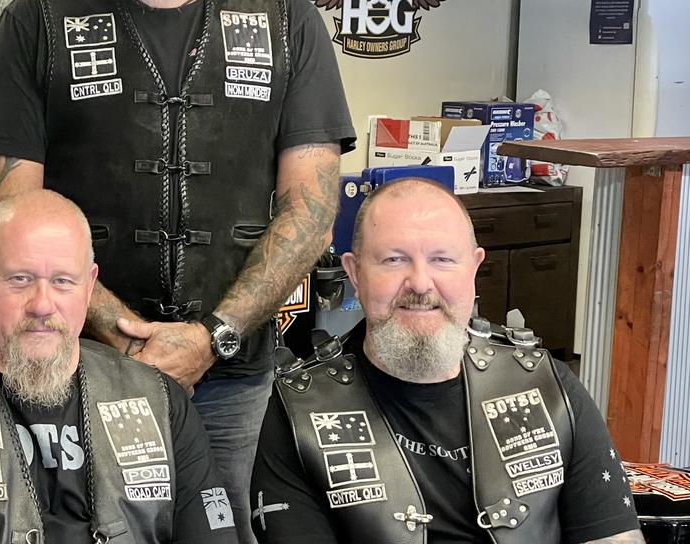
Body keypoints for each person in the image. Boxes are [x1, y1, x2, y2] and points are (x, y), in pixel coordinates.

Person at [0, 0, 355, 536]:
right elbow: (7, 212)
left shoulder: (288, 23)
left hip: (232, 379)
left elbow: (312, 210)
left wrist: (216, 335)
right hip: (71, 369)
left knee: (220, 533)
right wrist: (121, 333)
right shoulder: (38, 23)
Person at [251, 178, 644, 543]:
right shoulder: (298, 415)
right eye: (393, 260)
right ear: (355, 274)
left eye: (442, 260)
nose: (420, 283)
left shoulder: (549, 389)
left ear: (474, 268)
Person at [0, 190, 239, 543]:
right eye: (20, 278)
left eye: (63, 281)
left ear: (89, 286)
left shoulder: (158, 400)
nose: (42, 304)